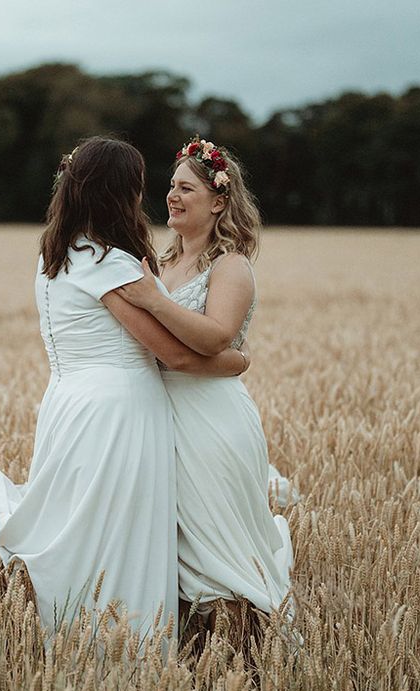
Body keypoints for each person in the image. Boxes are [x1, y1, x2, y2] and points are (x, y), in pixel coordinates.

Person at [0, 136, 248, 641]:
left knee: (79, 519)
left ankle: (66, 620)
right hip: (118, 411)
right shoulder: (109, 263)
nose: (147, 198)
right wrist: (237, 361)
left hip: (66, 400)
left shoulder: (54, 254)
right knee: (115, 532)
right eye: (139, 187)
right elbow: (175, 354)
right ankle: (113, 637)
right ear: (118, 193)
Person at [116, 136, 296, 640]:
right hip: (160, 417)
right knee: (173, 542)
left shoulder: (230, 265)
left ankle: (246, 647)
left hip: (212, 422)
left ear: (219, 201)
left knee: (220, 545)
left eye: (187, 188)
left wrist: (154, 300)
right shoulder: (161, 263)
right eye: (171, 186)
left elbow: (217, 335)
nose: (172, 195)